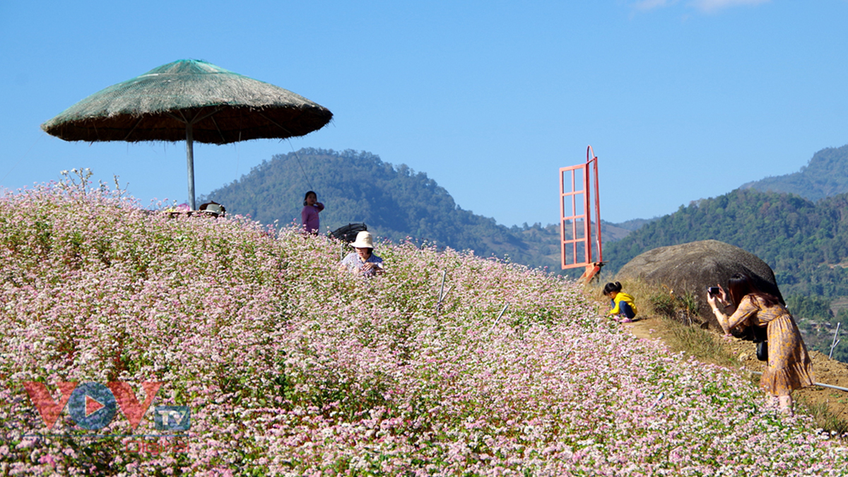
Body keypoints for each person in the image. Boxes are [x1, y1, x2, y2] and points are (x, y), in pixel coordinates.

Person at [707, 273, 814, 414]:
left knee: (780, 381)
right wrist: (726, 303)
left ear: (735, 290)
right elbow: (741, 320)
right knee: (773, 375)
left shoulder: (749, 301)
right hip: (788, 333)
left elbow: (727, 326)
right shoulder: (760, 297)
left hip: (779, 336)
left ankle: (787, 421)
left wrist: (714, 307)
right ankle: (770, 414)